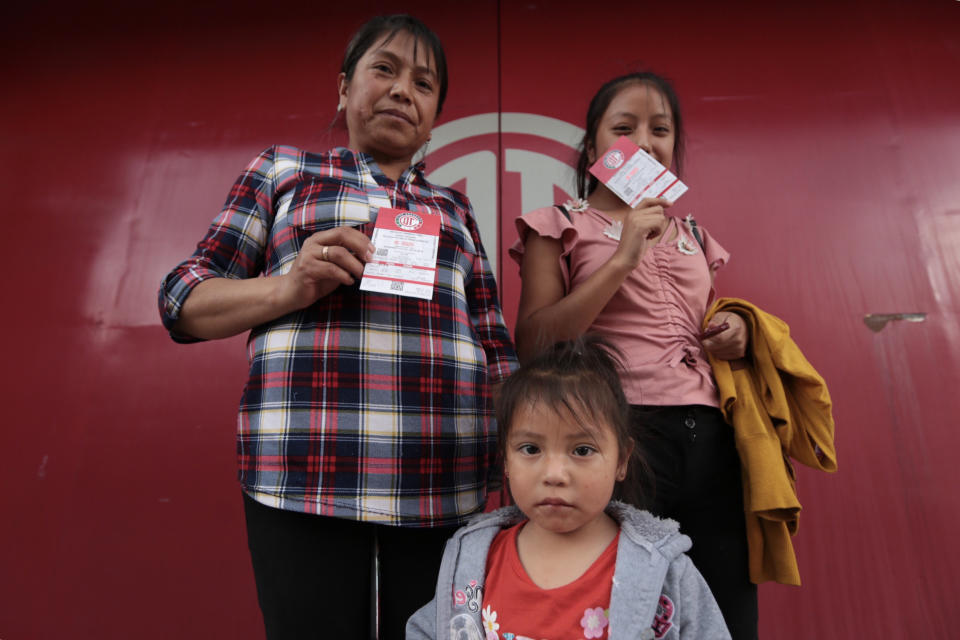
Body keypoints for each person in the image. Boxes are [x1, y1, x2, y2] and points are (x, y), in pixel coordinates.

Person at [157, 14, 517, 639]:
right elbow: (181, 298)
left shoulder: (454, 208)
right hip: (306, 467)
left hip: (442, 474)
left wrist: (525, 453)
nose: (404, 90)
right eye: (385, 69)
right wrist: (290, 285)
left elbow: (493, 344)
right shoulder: (283, 172)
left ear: (433, 118)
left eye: (424, 84)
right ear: (344, 88)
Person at [509, 72, 757, 639]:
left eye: (660, 130)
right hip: (624, 442)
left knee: (728, 611)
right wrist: (621, 259)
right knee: (626, 616)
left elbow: (703, 321)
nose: (645, 142)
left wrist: (735, 329)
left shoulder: (693, 231)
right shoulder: (560, 225)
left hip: (716, 440)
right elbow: (535, 344)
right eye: (624, 128)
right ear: (594, 147)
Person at [407, 336, 731, 640]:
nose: (555, 474)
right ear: (505, 458)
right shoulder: (473, 558)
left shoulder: (664, 568)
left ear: (622, 460)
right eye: (531, 449)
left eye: (582, 450)